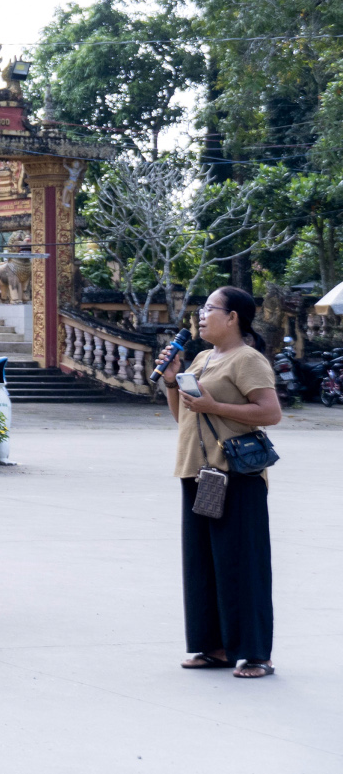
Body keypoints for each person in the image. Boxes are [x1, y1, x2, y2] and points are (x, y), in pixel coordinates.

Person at [161, 285, 279, 677]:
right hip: (197, 472)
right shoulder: (201, 358)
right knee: (204, 565)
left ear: (232, 318)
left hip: (236, 476)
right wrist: (171, 382)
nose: (201, 315)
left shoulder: (248, 359)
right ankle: (214, 647)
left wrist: (215, 405)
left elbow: (270, 412)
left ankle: (256, 654)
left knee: (241, 565)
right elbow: (184, 416)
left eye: (210, 308)